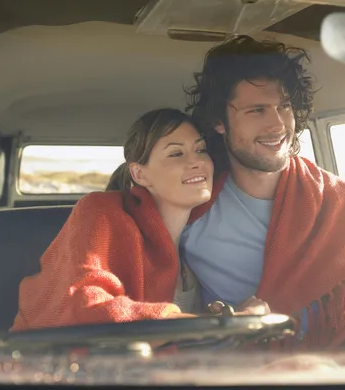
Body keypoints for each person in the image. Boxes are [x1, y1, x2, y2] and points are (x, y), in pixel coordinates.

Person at [180, 35, 345, 351]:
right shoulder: (192, 210)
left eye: (284, 106)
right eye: (257, 110)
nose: (277, 124)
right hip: (227, 377)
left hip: (324, 377)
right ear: (218, 122)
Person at [11, 108, 213, 330]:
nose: (197, 162)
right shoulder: (100, 210)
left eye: (201, 149)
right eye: (176, 154)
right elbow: (85, 307)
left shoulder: (203, 235)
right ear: (139, 174)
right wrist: (211, 325)